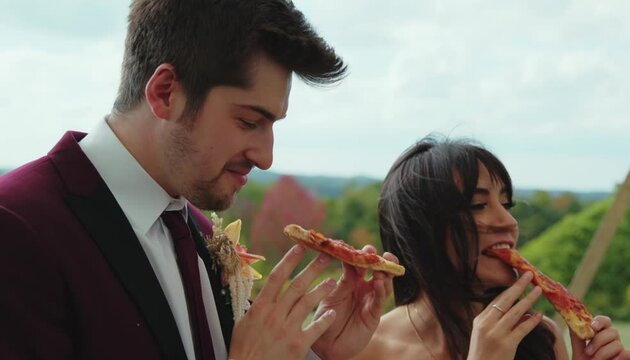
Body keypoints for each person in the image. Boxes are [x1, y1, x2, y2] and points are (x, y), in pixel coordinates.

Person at [0, 1, 397, 359]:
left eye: (271, 125)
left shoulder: (201, 231)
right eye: (248, 121)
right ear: (165, 92)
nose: (266, 156)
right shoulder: (18, 225)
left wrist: (315, 352)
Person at [355, 136, 630, 359]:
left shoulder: (539, 337)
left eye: (505, 204)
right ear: (422, 231)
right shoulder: (363, 349)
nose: (508, 221)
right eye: (478, 205)